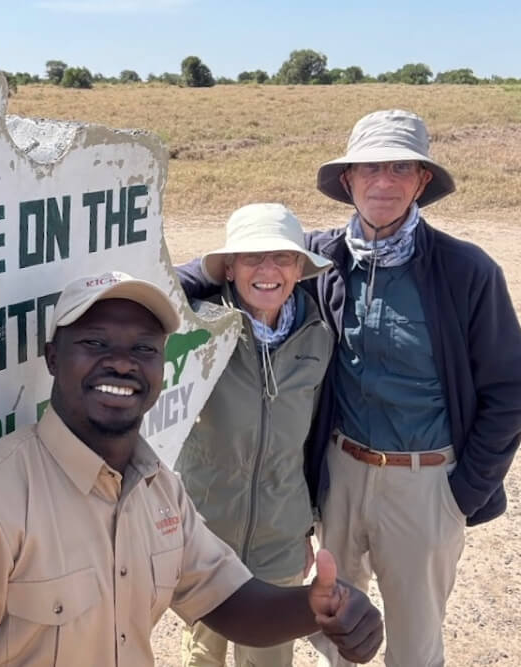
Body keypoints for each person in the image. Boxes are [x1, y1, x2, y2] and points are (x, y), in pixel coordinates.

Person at [0, 270, 382, 667]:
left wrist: (318, 608)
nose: (122, 364)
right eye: (95, 343)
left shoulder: (157, 488)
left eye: (144, 349)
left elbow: (227, 600)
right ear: (52, 358)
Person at [178, 110, 521, 666]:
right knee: (337, 631)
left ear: (422, 181)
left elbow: (509, 390)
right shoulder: (320, 258)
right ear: (348, 181)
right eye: (368, 169)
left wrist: (464, 493)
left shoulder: (467, 271)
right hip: (339, 475)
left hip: (425, 481)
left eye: (399, 168)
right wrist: (188, 280)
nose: (382, 182)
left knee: (413, 644)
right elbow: (233, 268)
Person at [175, 203, 333, 667]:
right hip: (207, 535)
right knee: (203, 656)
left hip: (280, 538)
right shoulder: (198, 329)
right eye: (251, 258)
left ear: (300, 267)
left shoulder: (319, 336)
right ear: (229, 267)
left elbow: (312, 440)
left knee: (269, 658)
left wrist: (304, 528)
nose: (268, 271)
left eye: (282, 258)